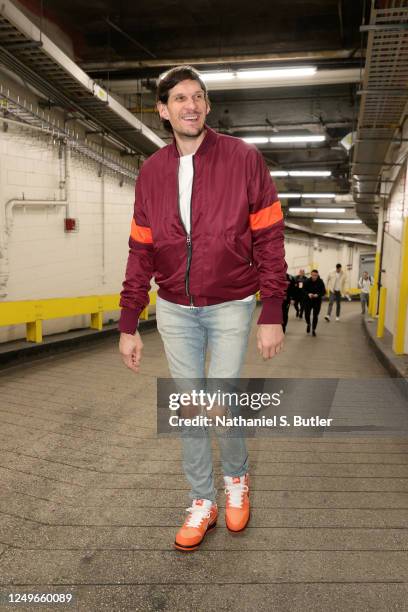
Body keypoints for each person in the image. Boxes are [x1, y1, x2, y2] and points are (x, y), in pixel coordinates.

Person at [117, 65, 287, 552]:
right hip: (173, 308)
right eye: (180, 98)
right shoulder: (151, 171)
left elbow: (269, 238)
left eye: (198, 96)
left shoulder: (243, 158)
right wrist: (129, 322)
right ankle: (202, 500)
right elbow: (140, 249)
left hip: (232, 302)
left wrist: (271, 309)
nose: (190, 105)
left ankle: (236, 479)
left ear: (207, 105)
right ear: (163, 110)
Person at [303, 269, 326, 336]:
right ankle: (308, 324)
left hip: (317, 301)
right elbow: (303, 290)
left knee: (315, 316)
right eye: (313, 275)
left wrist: (318, 295)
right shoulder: (307, 281)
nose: (314, 277)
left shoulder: (320, 282)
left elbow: (323, 291)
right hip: (308, 300)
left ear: (317, 275)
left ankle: (313, 329)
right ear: (311, 275)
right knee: (307, 315)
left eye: (315, 275)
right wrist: (308, 294)